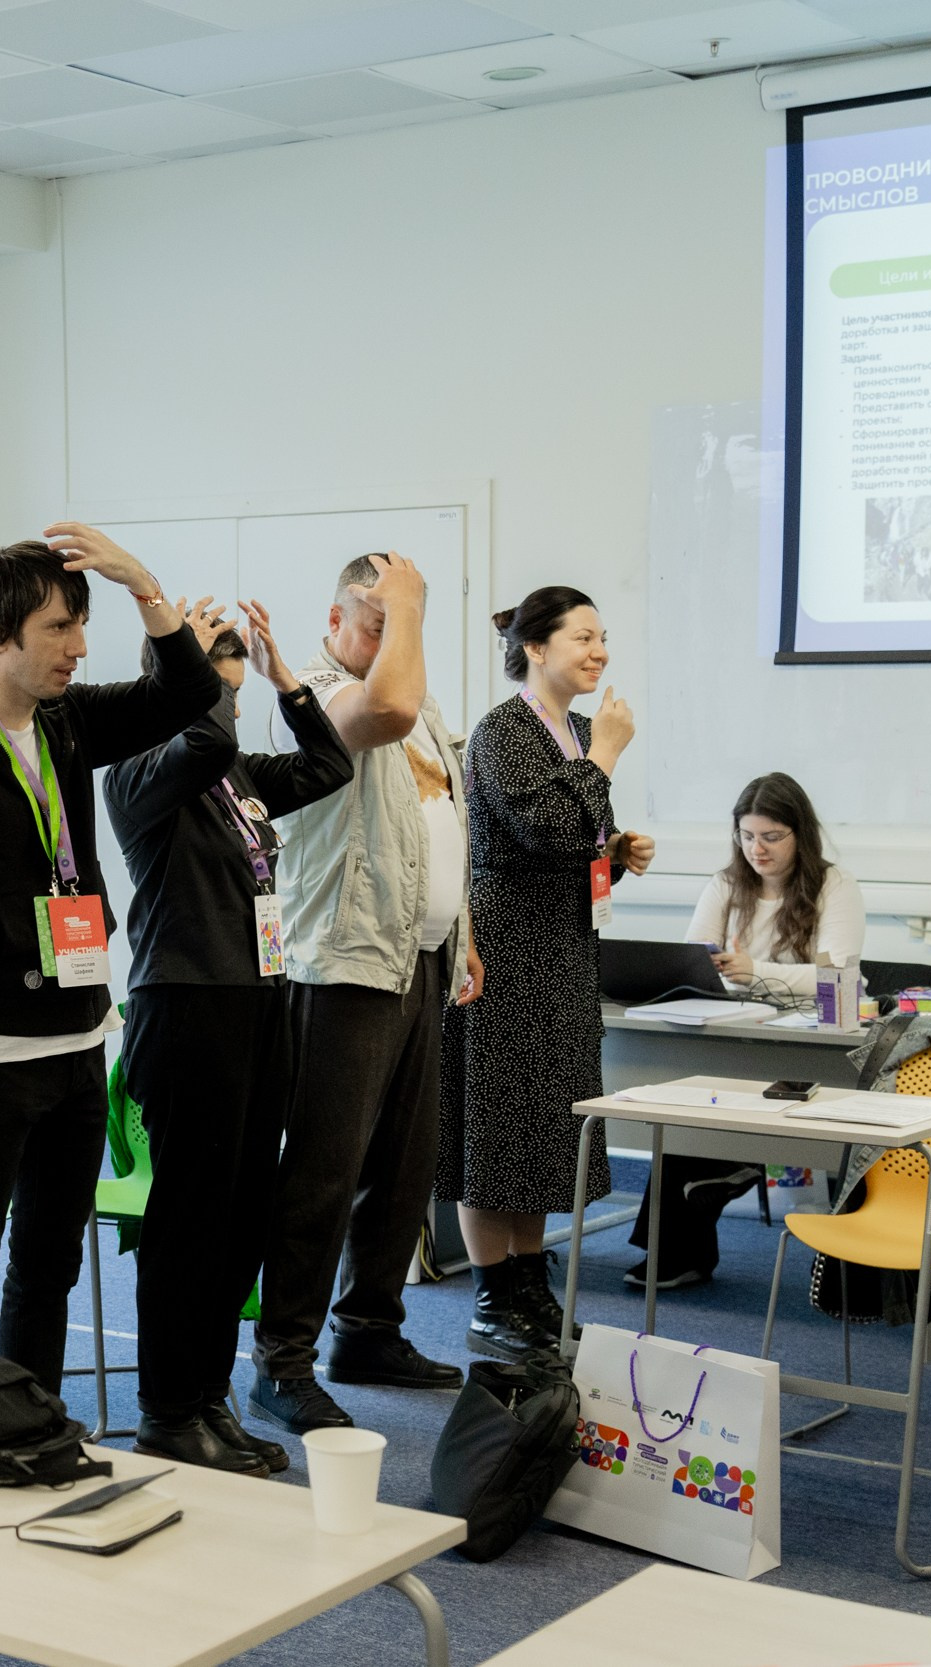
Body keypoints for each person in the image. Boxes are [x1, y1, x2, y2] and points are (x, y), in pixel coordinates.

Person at [0, 527, 217, 1399]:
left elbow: (191, 687)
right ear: (0, 634)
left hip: (74, 1042)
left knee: (50, 1265)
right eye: (60, 628)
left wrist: (138, 579)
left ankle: (32, 1425)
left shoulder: (66, 721)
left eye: (82, 625)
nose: (80, 647)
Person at [104, 599, 352, 1471]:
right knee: (190, 1221)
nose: (231, 711)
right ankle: (167, 1409)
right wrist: (191, 671)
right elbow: (200, 738)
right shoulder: (139, 771)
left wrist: (288, 679)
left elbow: (328, 765)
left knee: (244, 1217)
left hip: (257, 1004)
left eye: (236, 696)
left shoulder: (236, 771)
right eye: (220, 692)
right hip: (185, 1005)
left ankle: (209, 1398)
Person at [248, 552, 482, 1438]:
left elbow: (440, 824)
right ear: (334, 622)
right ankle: (282, 1358)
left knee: (403, 1165)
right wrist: (413, 599)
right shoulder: (308, 688)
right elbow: (382, 710)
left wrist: (467, 936)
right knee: (323, 1171)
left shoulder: (421, 703)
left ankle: (368, 1331)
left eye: (396, 622)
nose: (388, 637)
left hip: (417, 958)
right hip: (340, 962)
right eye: (371, 620)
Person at [439, 586, 654, 1363]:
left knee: (541, 1127)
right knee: (496, 1126)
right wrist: (605, 758)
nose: (598, 653)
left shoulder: (578, 729)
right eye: (583, 638)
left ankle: (532, 1289)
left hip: (562, 947)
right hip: (504, 945)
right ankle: (494, 1300)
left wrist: (615, 854)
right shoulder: (504, 730)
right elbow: (543, 825)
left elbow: (576, 841)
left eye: (603, 639)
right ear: (537, 648)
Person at [630, 772, 866, 1289]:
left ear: (800, 834)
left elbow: (838, 975)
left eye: (771, 837)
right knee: (679, 1107)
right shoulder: (725, 884)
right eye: (747, 836)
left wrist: (753, 970)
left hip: (803, 1045)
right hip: (727, 1030)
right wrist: (715, 970)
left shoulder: (834, 886)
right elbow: (693, 960)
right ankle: (679, 1250)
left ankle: (735, 1170)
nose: (757, 849)